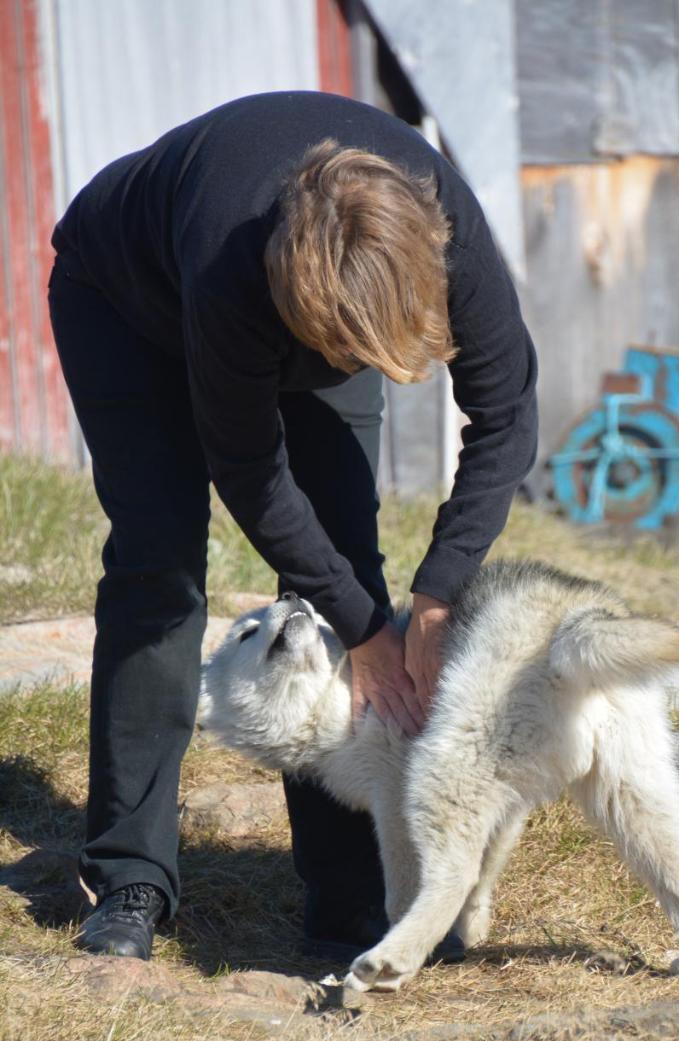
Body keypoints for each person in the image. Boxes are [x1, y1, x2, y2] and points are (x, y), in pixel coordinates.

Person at [48, 91, 538, 961]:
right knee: (160, 565)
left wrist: (433, 597)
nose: (351, 370)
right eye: (342, 351)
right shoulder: (227, 266)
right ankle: (130, 875)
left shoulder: (444, 234)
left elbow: (507, 420)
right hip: (125, 302)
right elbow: (253, 474)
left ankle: (350, 897)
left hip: (317, 297)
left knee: (344, 555)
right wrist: (359, 630)